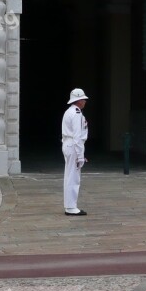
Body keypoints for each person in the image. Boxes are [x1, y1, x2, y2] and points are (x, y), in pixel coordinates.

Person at [62, 88, 89, 216]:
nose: (85, 101)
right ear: (78, 100)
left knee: (69, 176)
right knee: (73, 178)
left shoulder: (69, 112)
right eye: (83, 99)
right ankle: (71, 207)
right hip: (73, 145)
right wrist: (80, 156)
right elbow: (77, 136)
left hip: (68, 144)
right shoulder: (76, 113)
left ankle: (69, 205)